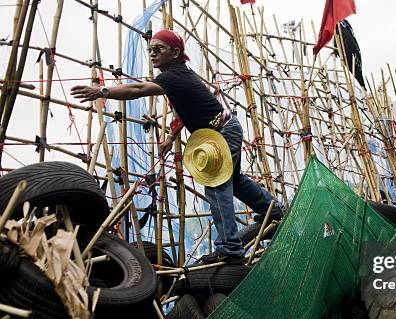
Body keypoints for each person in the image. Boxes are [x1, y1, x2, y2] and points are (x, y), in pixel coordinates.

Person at [71, 29, 283, 265]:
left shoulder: (173, 76)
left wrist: (102, 91)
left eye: (158, 49)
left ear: (175, 52)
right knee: (234, 181)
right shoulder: (177, 76)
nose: (152, 54)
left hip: (222, 131)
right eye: (150, 49)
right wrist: (171, 138)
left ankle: (230, 248)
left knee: (216, 184)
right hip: (222, 129)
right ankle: (273, 210)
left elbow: (139, 89)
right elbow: (184, 112)